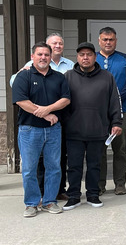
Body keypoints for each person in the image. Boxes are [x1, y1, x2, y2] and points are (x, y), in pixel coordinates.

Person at [10, 33, 74, 201]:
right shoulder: (23, 76)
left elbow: (66, 99)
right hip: (29, 129)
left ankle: (50, 201)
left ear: (50, 56)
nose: (43, 57)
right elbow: (21, 101)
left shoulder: (59, 77)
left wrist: (48, 109)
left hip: (54, 130)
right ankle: (31, 203)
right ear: (32, 56)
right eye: (40, 54)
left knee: (54, 167)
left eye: (46, 54)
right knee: (30, 169)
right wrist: (46, 115)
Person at [62, 42, 123, 211]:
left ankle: (93, 194)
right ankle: (73, 196)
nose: (85, 57)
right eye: (82, 55)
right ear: (77, 57)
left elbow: (114, 102)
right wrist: (66, 124)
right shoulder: (68, 76)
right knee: (74, 166)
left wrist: (116, 122)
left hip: (98, 130)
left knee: (95, 164)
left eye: (89, 54)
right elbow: (61, 103)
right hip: (74, 131)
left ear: (95, 57)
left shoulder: (107, 77)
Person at [96, 27, 126, 196]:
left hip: (121, 111)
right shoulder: (92, 58)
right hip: (97, 113)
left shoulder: (125, 59)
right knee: (99, 150)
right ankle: (99, 185)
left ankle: (120, 183)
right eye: (105, 39)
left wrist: (115, 99)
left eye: (111, 39)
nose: (108, 42)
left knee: (120, 148)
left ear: (116, 41)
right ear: (99, 41)